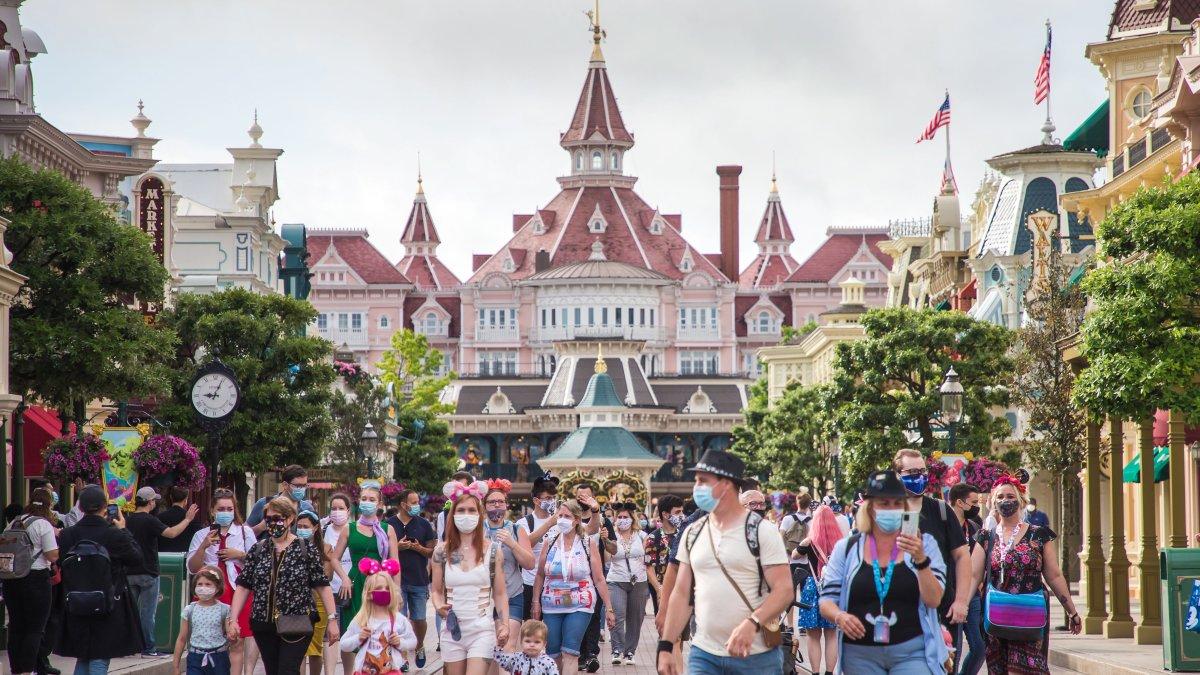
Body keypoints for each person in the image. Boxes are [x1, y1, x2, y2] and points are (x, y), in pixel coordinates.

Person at [657, 449, 792, 675]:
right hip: (704, 654)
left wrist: (752, 623)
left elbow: (784, 590)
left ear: (725, 485)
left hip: (756, 656)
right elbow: (681, 593)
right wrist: (666, 645)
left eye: (703, 481)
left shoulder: (762, 532)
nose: (696, 487)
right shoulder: (692, 532)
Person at [818, 470, 949, 675]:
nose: (891, 509)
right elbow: (826, 601)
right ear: (870, 508)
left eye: (897, 503)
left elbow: (934, 600)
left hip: (912, 652)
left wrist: (920, 560)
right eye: (883, 503)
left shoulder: (925, 544)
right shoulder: (847, 548)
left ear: (906, 507)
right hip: (859, 655)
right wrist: (840, 617)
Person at [970, 477, 1080, 675]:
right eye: (1000, 497)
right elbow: (973, 576)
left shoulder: (1039, 535)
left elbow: (1054, 575)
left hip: (1030, 615)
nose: (1005, 501)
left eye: (1011, 496)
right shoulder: (986, 536)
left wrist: (1071, 611)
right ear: (994, 502)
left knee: (1028, 669)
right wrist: (961, 606)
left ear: (1021, 500)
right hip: (997, 617)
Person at [228, 497, 341, 675]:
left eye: (278, 518)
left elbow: (322, 585)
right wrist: (233, 619)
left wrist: (332, 620)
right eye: (269, 519)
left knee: (287, 670)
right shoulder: (258, 549)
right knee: (273, 670)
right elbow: (243, 586)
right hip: (263, 622)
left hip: (297, 621)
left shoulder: (305, 549)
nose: (273, 523)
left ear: (290, 519)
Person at [55, 485, 147, 675]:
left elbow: (61, 561)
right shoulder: (113, 534)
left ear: (80, 508)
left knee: (83, 655)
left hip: (75, 600)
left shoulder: (67, 535)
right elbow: (137, 558)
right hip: (108, 601)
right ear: (105, 507)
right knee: (99, 657)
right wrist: (123, 531)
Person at [431, 479, 511, 675]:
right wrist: (438, 605)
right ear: (453, 514)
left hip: (482, 629)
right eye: (461, 510)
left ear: (479, 514)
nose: (466, 515)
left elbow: (500, 594)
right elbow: (436, 590)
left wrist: (504, 625)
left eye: (471, 510)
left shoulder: (493, 551)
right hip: (452, 631)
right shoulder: (440, 551)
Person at [894, 449, 971, 641]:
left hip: (941, 612)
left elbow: (962, 556)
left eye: (922, 471)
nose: (919, 476)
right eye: (912, 472)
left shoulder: (941, 510)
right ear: (897, 476)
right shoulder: (887, 512)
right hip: (899, 613)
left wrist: (961, 601)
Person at [530, 498, 614, 675]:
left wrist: (609, 608)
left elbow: (598, 578)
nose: (562, 519)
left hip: (580, 603)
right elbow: (539, 575)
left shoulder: (586, 542)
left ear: (576, 520)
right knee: (553, 653)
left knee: (570, 651)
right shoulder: (550, 541)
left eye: (567, 516)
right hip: (551, 604)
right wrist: (535, 602)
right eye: (559, 515)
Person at [186, 488, 261, 675]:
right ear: (212, 510)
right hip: (211, 590)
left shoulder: (245, 533)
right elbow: (193, 568)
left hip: (238, 589)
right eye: (221, 509)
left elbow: (257, 564)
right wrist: (203, 547)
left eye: (229, 509)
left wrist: (240, 555)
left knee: (236, 639)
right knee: (210, 639)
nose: (226, 512)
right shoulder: (201, 534)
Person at [126, 486, 200, 656]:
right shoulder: (150, 520)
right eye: (154, 500)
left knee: (132, 611)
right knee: (147, 613)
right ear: (150, 502)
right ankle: (149, 647)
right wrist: (187, 519)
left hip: (129, 571)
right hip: (148, 571)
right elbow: (172, 533)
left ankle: (130, 646)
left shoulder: (128, 520)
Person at [330, 481, 397, 655]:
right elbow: (334, 558)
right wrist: (344, 578)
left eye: (372, 499)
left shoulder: (387, 529)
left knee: (378, 630)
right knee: (352, 632)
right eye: (364, 498)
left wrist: (396, 591)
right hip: (355, 583)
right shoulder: (348, 529)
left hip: (379, 585)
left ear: (379, 503)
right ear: (359, 501)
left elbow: (395, 563)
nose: (367, 502)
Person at [2, 487, 60, 675]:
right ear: (48, 505)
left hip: (12, 580)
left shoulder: (14, 523)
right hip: (36, 579)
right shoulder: (43, 525)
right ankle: (28, 669)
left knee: (17, 626)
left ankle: (16, 669)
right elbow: (51, 556)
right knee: (35, 628)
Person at [481, 479, 536, 675]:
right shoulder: (477, 530)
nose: (497, 505)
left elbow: (530, 563)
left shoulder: (515, 529)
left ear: (506, 504)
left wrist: (512, 544)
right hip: (483, 599)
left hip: (512, 595)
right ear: (484, 505)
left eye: (500, 502)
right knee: (488, 650)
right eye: (492, 502)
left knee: (507, 646)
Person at [384, 488, 437, 669]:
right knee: (400, 619)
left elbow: (432, 551)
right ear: (403, 505)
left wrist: (417, 548)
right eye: (413, 502)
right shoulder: (389, 524)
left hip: (419, 580)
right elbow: (382, 552)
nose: (417, 505)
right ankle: (403, 655)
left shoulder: (423, 524)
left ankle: (420, 644)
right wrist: (396, 547)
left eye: (417, 502)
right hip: (396, 581)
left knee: (419, 619)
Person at [338, 569, 418, 673]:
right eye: (379, 588)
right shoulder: (362, 619)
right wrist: (358, 638)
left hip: (390, 670)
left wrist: (400, 643)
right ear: (369, 594)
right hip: (365, 671)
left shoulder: (398, 619)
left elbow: (413, 642)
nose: (384, 591)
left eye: (388, 588)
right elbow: (344, 644)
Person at [794, 505, 841, 675]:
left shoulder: (809, 542)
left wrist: (804, 543)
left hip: (812, 588)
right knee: (831, 635)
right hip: (833, 590)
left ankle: (815, 672)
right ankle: (829, 672)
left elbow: (794, 555)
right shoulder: (840, 542)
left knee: (813, 636)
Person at [602, 502, 649, 666]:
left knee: (636, 618)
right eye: (620, 517)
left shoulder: (642, 536)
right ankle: (617, 649)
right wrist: (606, 541)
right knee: (617, 615)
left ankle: (630, 652)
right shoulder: (611, 535)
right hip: (616, 580)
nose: (622, 520)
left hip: (639, 581)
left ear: (632, 519)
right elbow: (608, 557)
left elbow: (648, 558)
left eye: (626, 517)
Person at [571, 484, 610, 673]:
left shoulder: (601, 519)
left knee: (594, 614)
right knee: (579, 614)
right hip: (574, 576)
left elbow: (613, 548)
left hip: (595, 575)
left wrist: (607, 540)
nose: (583, 499)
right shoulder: (571, 520)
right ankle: (578, 653)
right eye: (580, 496)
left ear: (593, 498)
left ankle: (591, 654)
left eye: (587, 496)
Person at [947, 483, 984, 675]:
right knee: (955, 649)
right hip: (950, 593)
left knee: (979, 648)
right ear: (960, 503)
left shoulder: (975, 526)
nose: (977, 506)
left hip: (973, 593)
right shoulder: (944, 525)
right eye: (974, 502)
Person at [518, 474, 562, 625]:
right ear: (536, 500)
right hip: (530, 583)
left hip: (557, 584)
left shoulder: (562, 521)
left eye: (553, 498)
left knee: (553, 629)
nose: (551, 501)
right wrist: (549, 523)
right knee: (532, 628)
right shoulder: (524, 523)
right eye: (548, 498)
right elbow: (525, 544)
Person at [172, 566, 232, 675]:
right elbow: (181, 639)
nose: (203, 587)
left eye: (208, 584)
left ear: (217, 588)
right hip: (195, 657)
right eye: (200, 584)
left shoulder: (225, 609)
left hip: (219, 658)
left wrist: (233, 634)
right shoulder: (189, 610)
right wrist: (176, 667)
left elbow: (230, 634)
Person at [296, 511, 335, 675]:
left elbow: (327, 576)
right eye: (299, 527)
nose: (302, 530)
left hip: (318, 601)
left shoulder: (326, 548)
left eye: (306, 526)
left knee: (314, 647)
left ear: (316, 527)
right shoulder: (292, 545)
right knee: (298, 647)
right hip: (297, 601)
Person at [321, 493, 355, 675]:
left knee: (348, 636)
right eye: (333, 508)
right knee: (330, 636)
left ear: (348, 511)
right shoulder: (323, 531)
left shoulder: (353, 530)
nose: (337, 512)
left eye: (341, 508)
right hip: (329, 590)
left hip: (350, 591)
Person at [246, 465, 315, 537]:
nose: (301, 489)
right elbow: (244, 535)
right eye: (298, 486)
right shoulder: (264, 503)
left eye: (304, 486)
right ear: (285, 485)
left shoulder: (307, 508)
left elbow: (315, 536)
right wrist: (261, 527)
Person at [644, 494, 683, 616]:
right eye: (677, 512)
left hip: (683, 588)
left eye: (682, 511)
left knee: (684, 629)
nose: (681, 515)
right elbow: (649, 567)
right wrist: (659, 589)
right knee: (665, 627)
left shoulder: (685, 534)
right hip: (663, 588)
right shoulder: (653, 537)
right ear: (665, 514)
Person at [492, 620, 559, 675]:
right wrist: (499, 646)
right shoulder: (515, 658)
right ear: (521, 642)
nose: (532, 645)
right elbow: (501, 660)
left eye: (537, 642)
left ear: (544, 644)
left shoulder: (548, 662)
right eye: (527, 641)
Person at [159, 487, 206, 554]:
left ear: (171, 497)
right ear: (186, 500)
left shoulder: (160, 517)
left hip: (162, 557)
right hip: (184, 557)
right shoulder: (191, 518)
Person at [779, 493, 813, 558]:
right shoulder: (811, 522)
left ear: (797, 503)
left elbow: (780, 538)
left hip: (788, 559)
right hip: (805, 560)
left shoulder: (787, 519)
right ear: (809, 505)